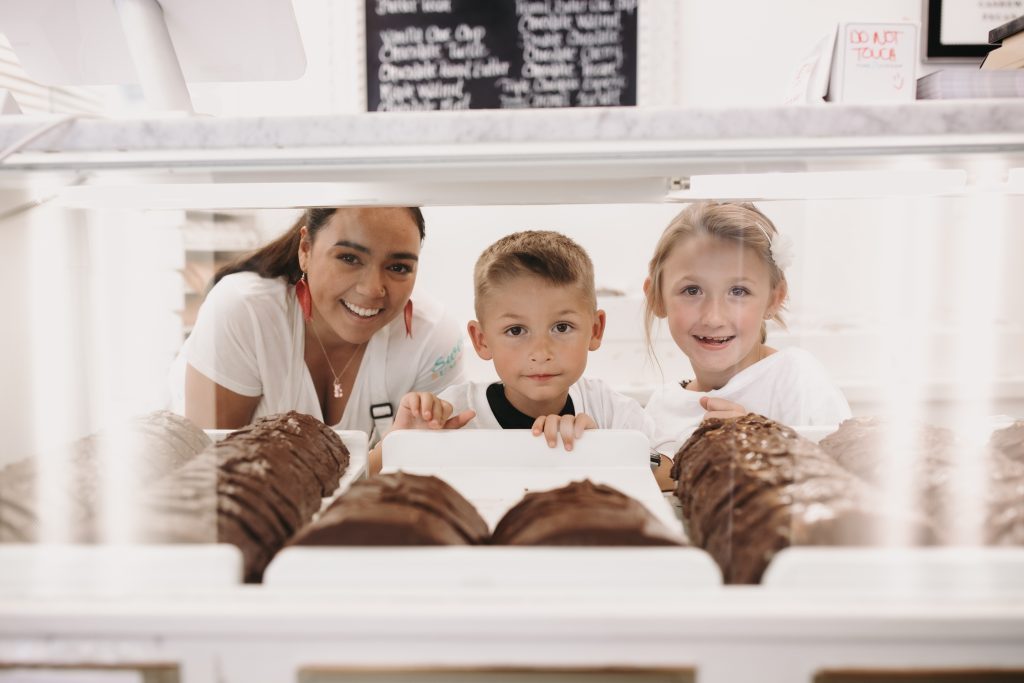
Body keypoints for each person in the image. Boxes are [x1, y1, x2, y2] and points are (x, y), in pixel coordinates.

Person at [171, 206, 466, 442]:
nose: (373, 289)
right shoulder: (244, 310)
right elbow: (208, 472)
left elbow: (423, 479)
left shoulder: (433, 337)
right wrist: (387, 454)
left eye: (399, 267)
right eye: (349, 258)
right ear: (305, 250)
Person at [369, 230, 653, 474]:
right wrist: (401, 444)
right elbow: (360, 487)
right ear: (482, 340)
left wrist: (601, 450)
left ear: (595, 329)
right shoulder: (450, 415)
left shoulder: (610, 411)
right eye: (516, 331)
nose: (541, 352)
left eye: (562, 327)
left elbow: (668, 473)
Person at [642, 201, 851, 488]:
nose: (713, 317)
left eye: (738, 291)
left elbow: (841, 489)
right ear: (656, 296)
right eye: (692, 290)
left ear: (774, 298)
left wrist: (757, 444)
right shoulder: (661, 407)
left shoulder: (795, 379)